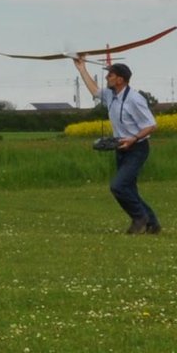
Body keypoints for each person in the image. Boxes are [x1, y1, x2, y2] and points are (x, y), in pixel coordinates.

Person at [73, 57, 161, 235]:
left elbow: (151, 125)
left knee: (118, 186)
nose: (107, 79)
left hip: (137, 148)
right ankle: (152, 224)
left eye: (110, 76)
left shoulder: (135, 99)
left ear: (120, 79)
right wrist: (82, 69)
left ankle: (139, 218)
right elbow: (95, 91)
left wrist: (133, 139)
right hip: (121, 148)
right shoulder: (110, 95)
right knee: (128, 188)